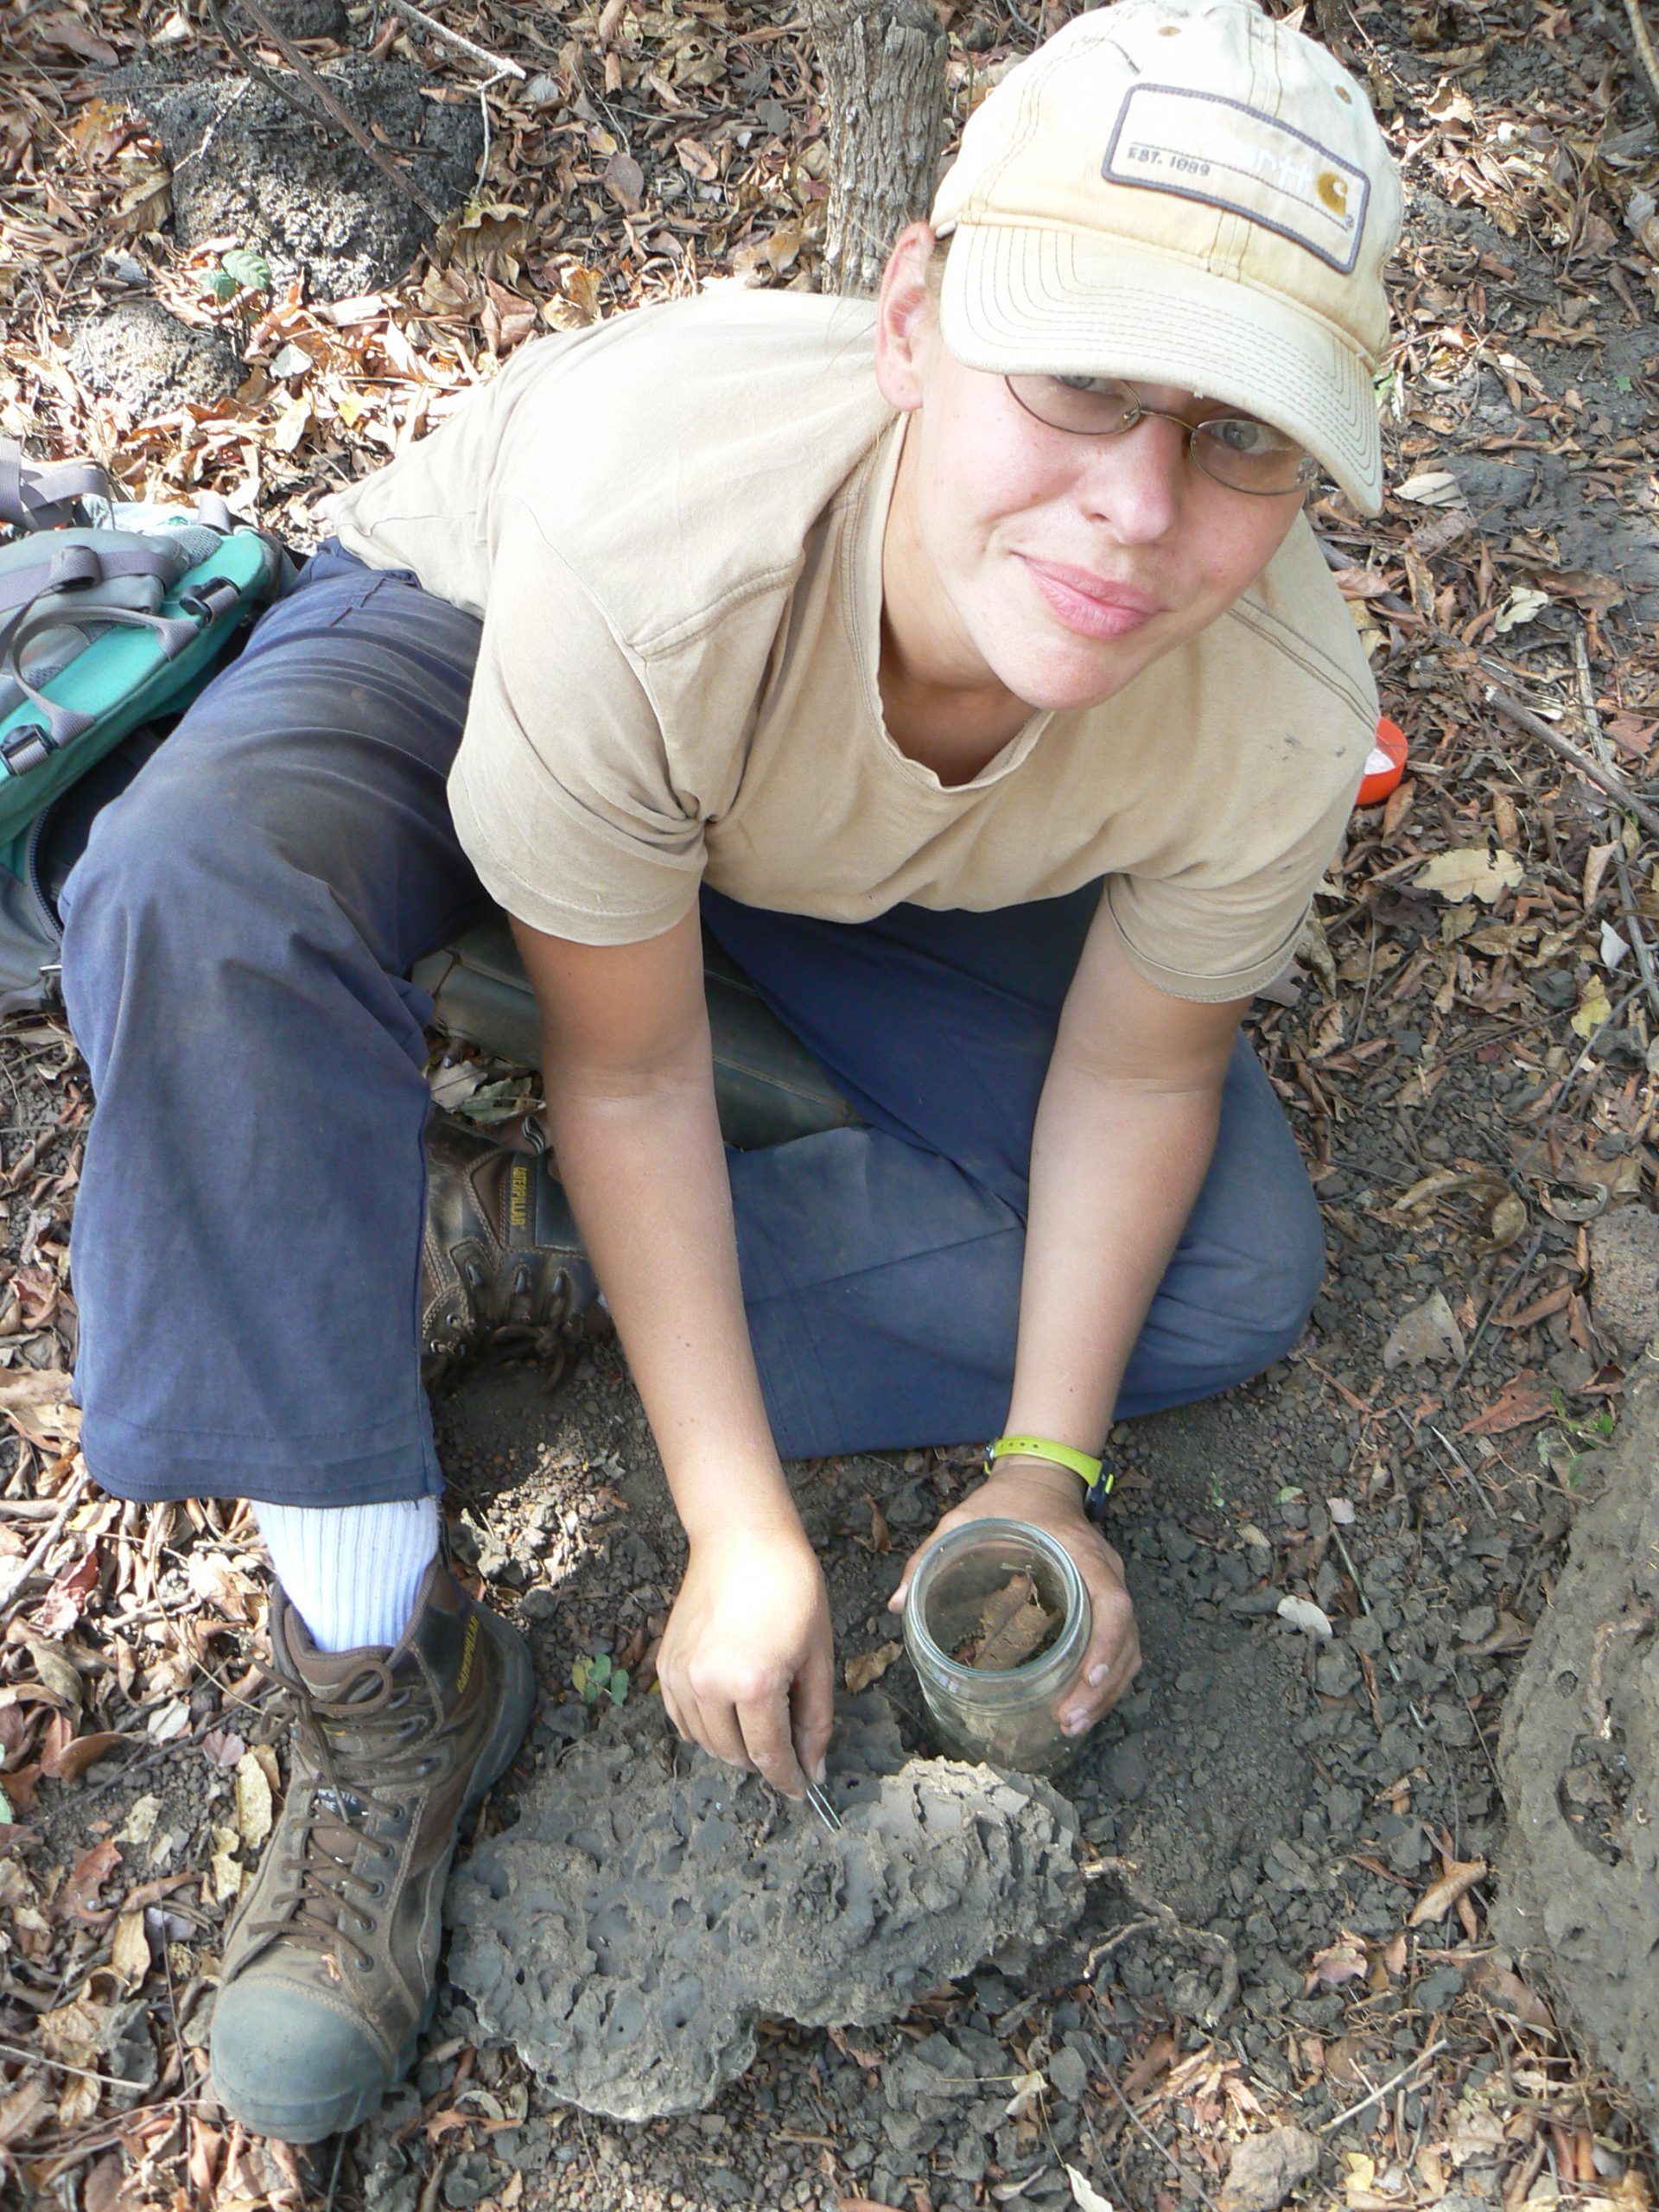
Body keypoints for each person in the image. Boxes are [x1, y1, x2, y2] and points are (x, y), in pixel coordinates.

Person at [56, 0, 1400, 2145]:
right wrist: (735, 1517)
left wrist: (1043, 1467)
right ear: (911, 319)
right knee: (201, 888)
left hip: (841, 840)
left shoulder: (1261, 703)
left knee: (1224, 1278)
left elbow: (1145, 1085)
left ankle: (460, 1237)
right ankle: (387, 1668)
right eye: (1081, 381)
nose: (1141, 504)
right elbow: (639, 1061)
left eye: (1241, 434)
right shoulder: (660, 547)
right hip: (503, 642)